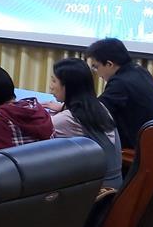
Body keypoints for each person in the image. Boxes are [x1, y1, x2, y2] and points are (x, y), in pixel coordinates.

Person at [48, 58, 123, 189]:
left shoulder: (66, 119)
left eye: (54, 81)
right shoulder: (99, 107)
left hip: (97, 192)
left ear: (69, 86)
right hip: (116, 186)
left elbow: (40, 131)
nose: (51, 86)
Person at [84, 38, 153, 149]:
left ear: (109, 64)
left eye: (96, 67)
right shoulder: (140, 70)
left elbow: (96, 112)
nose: (96, 73)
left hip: (138, 147)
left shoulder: (120, 83)